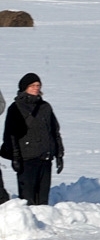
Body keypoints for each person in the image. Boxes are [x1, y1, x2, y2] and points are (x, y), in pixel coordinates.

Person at [2, 73, 64, 205]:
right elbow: (10, 135)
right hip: (27, 159)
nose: (36, 88)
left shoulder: (45, 107)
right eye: (32, 86)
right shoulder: (16, 108)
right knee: (27, 199)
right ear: (24, 88)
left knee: (43, 200)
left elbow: (54, 131)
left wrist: (59, 154)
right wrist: (15, 158)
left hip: (45, 157)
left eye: (38, 85)